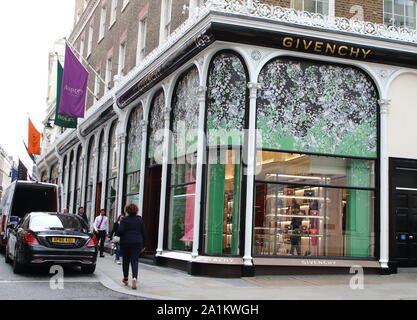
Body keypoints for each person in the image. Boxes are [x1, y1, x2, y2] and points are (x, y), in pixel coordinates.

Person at [116, 203, 145, 290]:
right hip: (137, 242)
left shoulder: (124, 219)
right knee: (134, 260)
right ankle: (134, 278)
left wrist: (118, 232)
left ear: (127, 210)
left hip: (126, 242)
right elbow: (143, 232)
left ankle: (125, 279)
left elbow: (119, 232)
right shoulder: (140, 219)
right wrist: (144, 245)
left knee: (126, 261)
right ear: (136, 210)